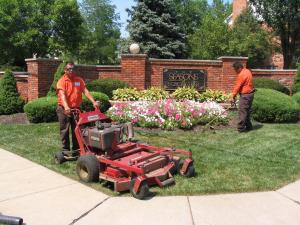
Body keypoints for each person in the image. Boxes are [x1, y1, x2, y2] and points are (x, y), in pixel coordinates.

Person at [56, 62, 99, 156]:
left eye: (72, 69)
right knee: (65, 130)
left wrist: (93, 102)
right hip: (64, 109)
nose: (71, 71)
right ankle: (65, 150)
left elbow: (86, 92)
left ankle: (76, 149)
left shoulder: (79, 80)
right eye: (68, 69)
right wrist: (66, 107)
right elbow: (62, 95)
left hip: (76, 109)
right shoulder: (62, 81)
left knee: (77, 129)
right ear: (65, 70)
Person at [232, 61, 255, 132]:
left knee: (242, 111)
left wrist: (233, 95)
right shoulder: (247, 71)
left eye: (235, 70)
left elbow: (237, 86)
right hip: (250, 94)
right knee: (246, 111)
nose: (235, 71)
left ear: (239, 68)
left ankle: (240, 128)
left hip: (245, 95)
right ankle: (249, 127)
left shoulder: (241, 74)